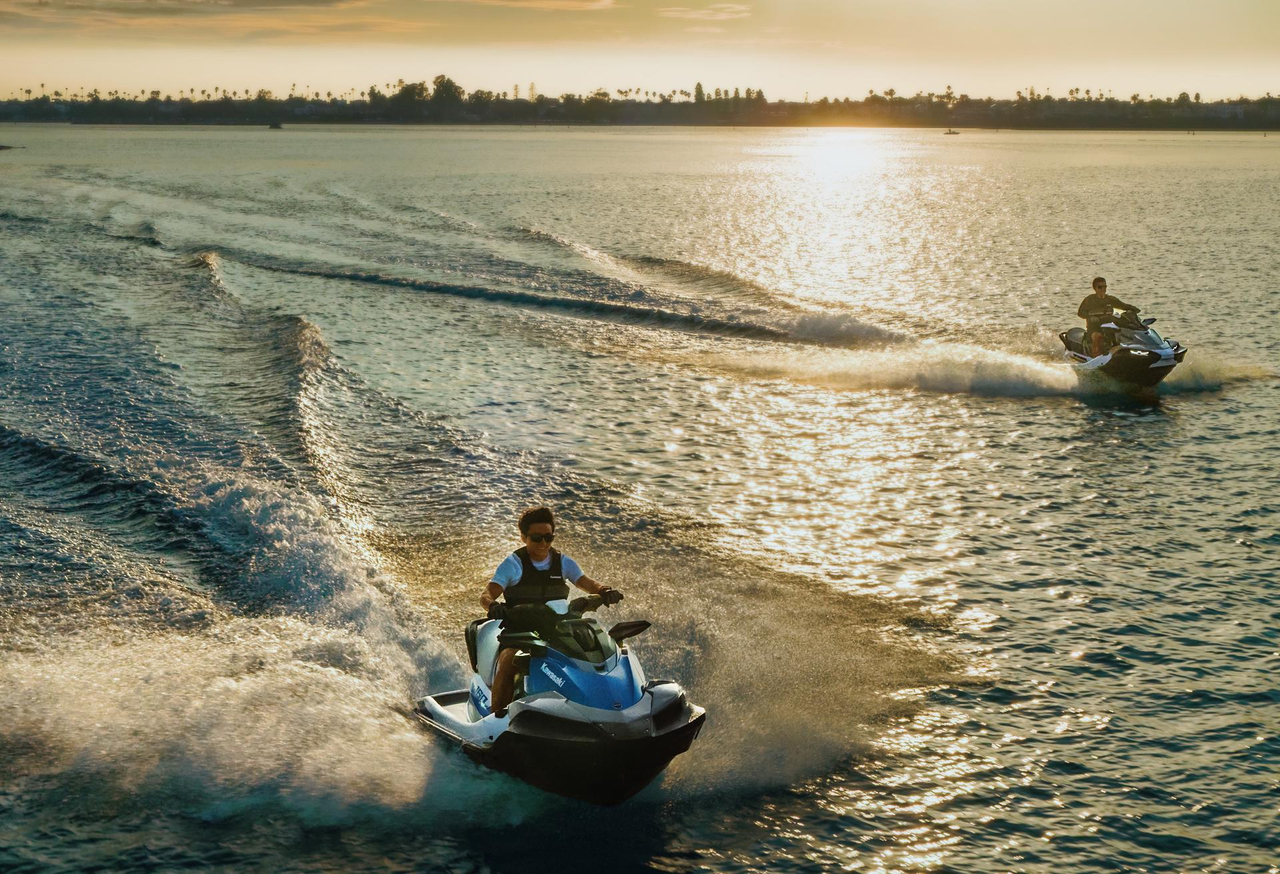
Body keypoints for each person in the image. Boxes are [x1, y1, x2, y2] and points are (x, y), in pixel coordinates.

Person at [479, 506, 622, 717]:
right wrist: (493, 606)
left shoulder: (563, 562)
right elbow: (486, 595)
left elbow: (587, 583)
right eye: (537, 538)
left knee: (594, 648)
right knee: (509, 659)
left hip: (557, 628)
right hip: (521, 631)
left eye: (549, 537)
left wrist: (604, 591)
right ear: (523, 537)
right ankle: (496, 717)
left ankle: (603, 706)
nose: (544, 543)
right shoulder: (513, 564)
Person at [1078, 277, 1140, 357]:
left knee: (1124, 334)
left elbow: (1124, 306)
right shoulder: (1089, 300)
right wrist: (1090, 317)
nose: (1103, 289)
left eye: (1105, 286)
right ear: (1095, 288)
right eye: (1100, 287)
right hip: (1094, 328)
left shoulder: (1110, 299)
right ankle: (1096, 357)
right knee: (1098, 336)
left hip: (1109, 327)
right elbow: (1080, 313)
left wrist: (1133, 310)